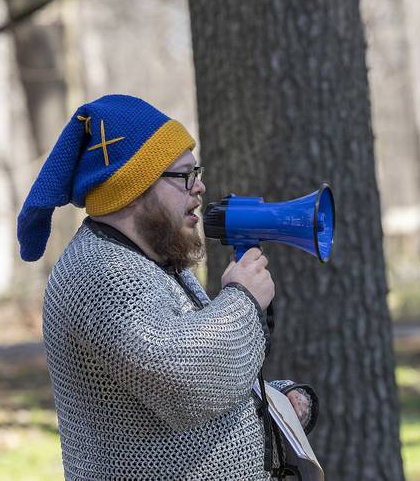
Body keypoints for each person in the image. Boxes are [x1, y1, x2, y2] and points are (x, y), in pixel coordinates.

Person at [17, 94, 318, 480]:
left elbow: (197, 379)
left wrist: (279, 400)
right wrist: (242, 300)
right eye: (185, 175)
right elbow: (185, 382)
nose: (200, 187)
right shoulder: (100, 272)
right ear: (134, 186)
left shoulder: (150, 261)